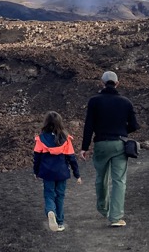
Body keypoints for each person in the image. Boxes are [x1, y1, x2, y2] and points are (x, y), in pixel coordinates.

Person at [80, 71, 139, 227]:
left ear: (102, 83)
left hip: (100, 144)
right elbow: (134, 125)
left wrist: (84, 147)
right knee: (119, 180)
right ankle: (116, 217)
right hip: (119, 143)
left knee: (101, 177)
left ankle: (103, 208)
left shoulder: (94, 101)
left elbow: (89, 126)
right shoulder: (126, 102)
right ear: (117, 83)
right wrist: (121, 130)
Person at [33, 111, 81, 232]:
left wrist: (36, 171)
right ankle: (59, 222)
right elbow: (72, 158)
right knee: (60, 195)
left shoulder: (40, 139)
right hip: (62, 172)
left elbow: (36, 158)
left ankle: (50, 211)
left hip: (47, 172)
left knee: (49, 194)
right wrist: (77, 174)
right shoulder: (66, 139)